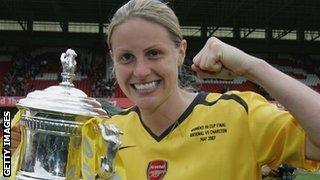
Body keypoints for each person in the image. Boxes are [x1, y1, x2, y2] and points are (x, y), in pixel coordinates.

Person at [99, 0, 320, 179]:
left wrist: (253, 67)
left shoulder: (238, 115)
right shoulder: (104, 134)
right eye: (126, 57)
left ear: (181, 52)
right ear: (113, 60)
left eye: (154, 53)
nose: (140, 71)